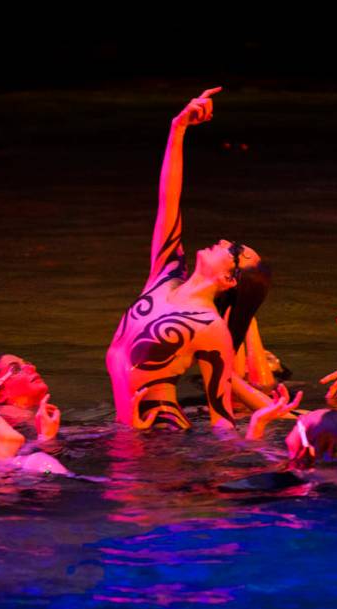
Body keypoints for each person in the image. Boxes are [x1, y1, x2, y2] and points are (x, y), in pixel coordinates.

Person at [106, 88, 276, 430]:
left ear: (230, 280)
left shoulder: (211, 328)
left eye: (235, 251)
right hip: (129, 428)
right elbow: (169, 198)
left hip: (159, 433)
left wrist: (254, 434)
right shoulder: (165, 273)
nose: (226, 240)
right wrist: (177, 129)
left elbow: (222, 423)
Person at [0, 354, 60, 440]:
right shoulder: (1, 433)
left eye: (27, 364)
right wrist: (47, 438)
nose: (32, 367)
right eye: (15, 369)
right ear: (0, 395)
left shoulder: (38, 421)